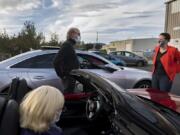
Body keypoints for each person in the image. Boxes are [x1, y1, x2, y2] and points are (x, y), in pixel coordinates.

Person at [53, 27, 80, 93]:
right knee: (68, 98)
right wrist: (62, 76)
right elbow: (55, 62)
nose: (79, 36)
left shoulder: (70, 45)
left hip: (71, 76)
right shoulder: (67, 45)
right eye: (78, 34)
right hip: (69, 77)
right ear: (72, 34)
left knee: (70, 97)